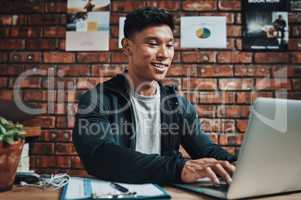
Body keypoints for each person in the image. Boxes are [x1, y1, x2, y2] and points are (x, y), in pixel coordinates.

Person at [72, 7, 236, 185]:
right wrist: (179, 169)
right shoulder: (96, 99)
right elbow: (100, 156)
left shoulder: (178, 104)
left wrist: (235, 165)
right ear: (127, 46)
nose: (164, 54)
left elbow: (205, 149)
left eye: (170, 45)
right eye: (153, 43)